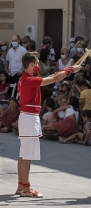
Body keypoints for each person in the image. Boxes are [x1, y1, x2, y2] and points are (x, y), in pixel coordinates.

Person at [15, 52, 80, 198]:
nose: (38, 66)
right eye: (36, 64)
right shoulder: (28, 79)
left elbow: (52, 76)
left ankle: (21, 185)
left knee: (23, 154)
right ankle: (25, 188)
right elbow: (53, 78)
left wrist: (62, 71)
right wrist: (69, 70)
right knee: (26, 155)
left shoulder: (24, 78)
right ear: (31, 65)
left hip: (27, 117)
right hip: (29, 118)